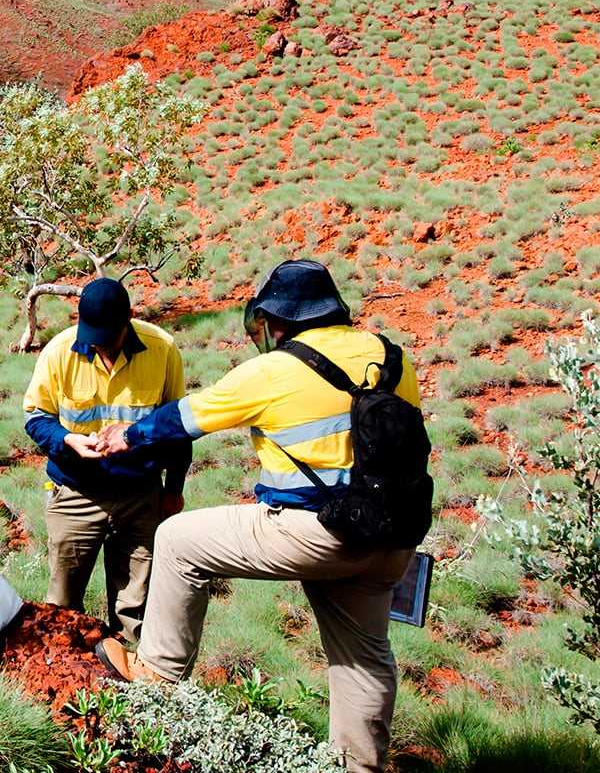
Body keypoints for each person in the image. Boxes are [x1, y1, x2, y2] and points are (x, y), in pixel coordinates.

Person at [94, 259, 423, 773]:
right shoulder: (392, 357)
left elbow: (185, 419)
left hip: (318, 533)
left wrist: (124, 436)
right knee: (363, 655)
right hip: (390, 536)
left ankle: (155, 673)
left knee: (179, 539)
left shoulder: (273, 370)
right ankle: (361, 767)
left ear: (279, 322)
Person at [23, 277, 191, 642]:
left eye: (107, 337)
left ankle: (129, 681)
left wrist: (172, 490)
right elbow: (35, 418)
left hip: (140, 496)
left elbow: (178, 427)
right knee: (62, 606)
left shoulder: (161, 349)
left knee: (135, 609)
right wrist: (67, 440)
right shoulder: (59, 352)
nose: (99, 346)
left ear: (127, 320)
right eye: (92, 337)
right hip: (75, 493)